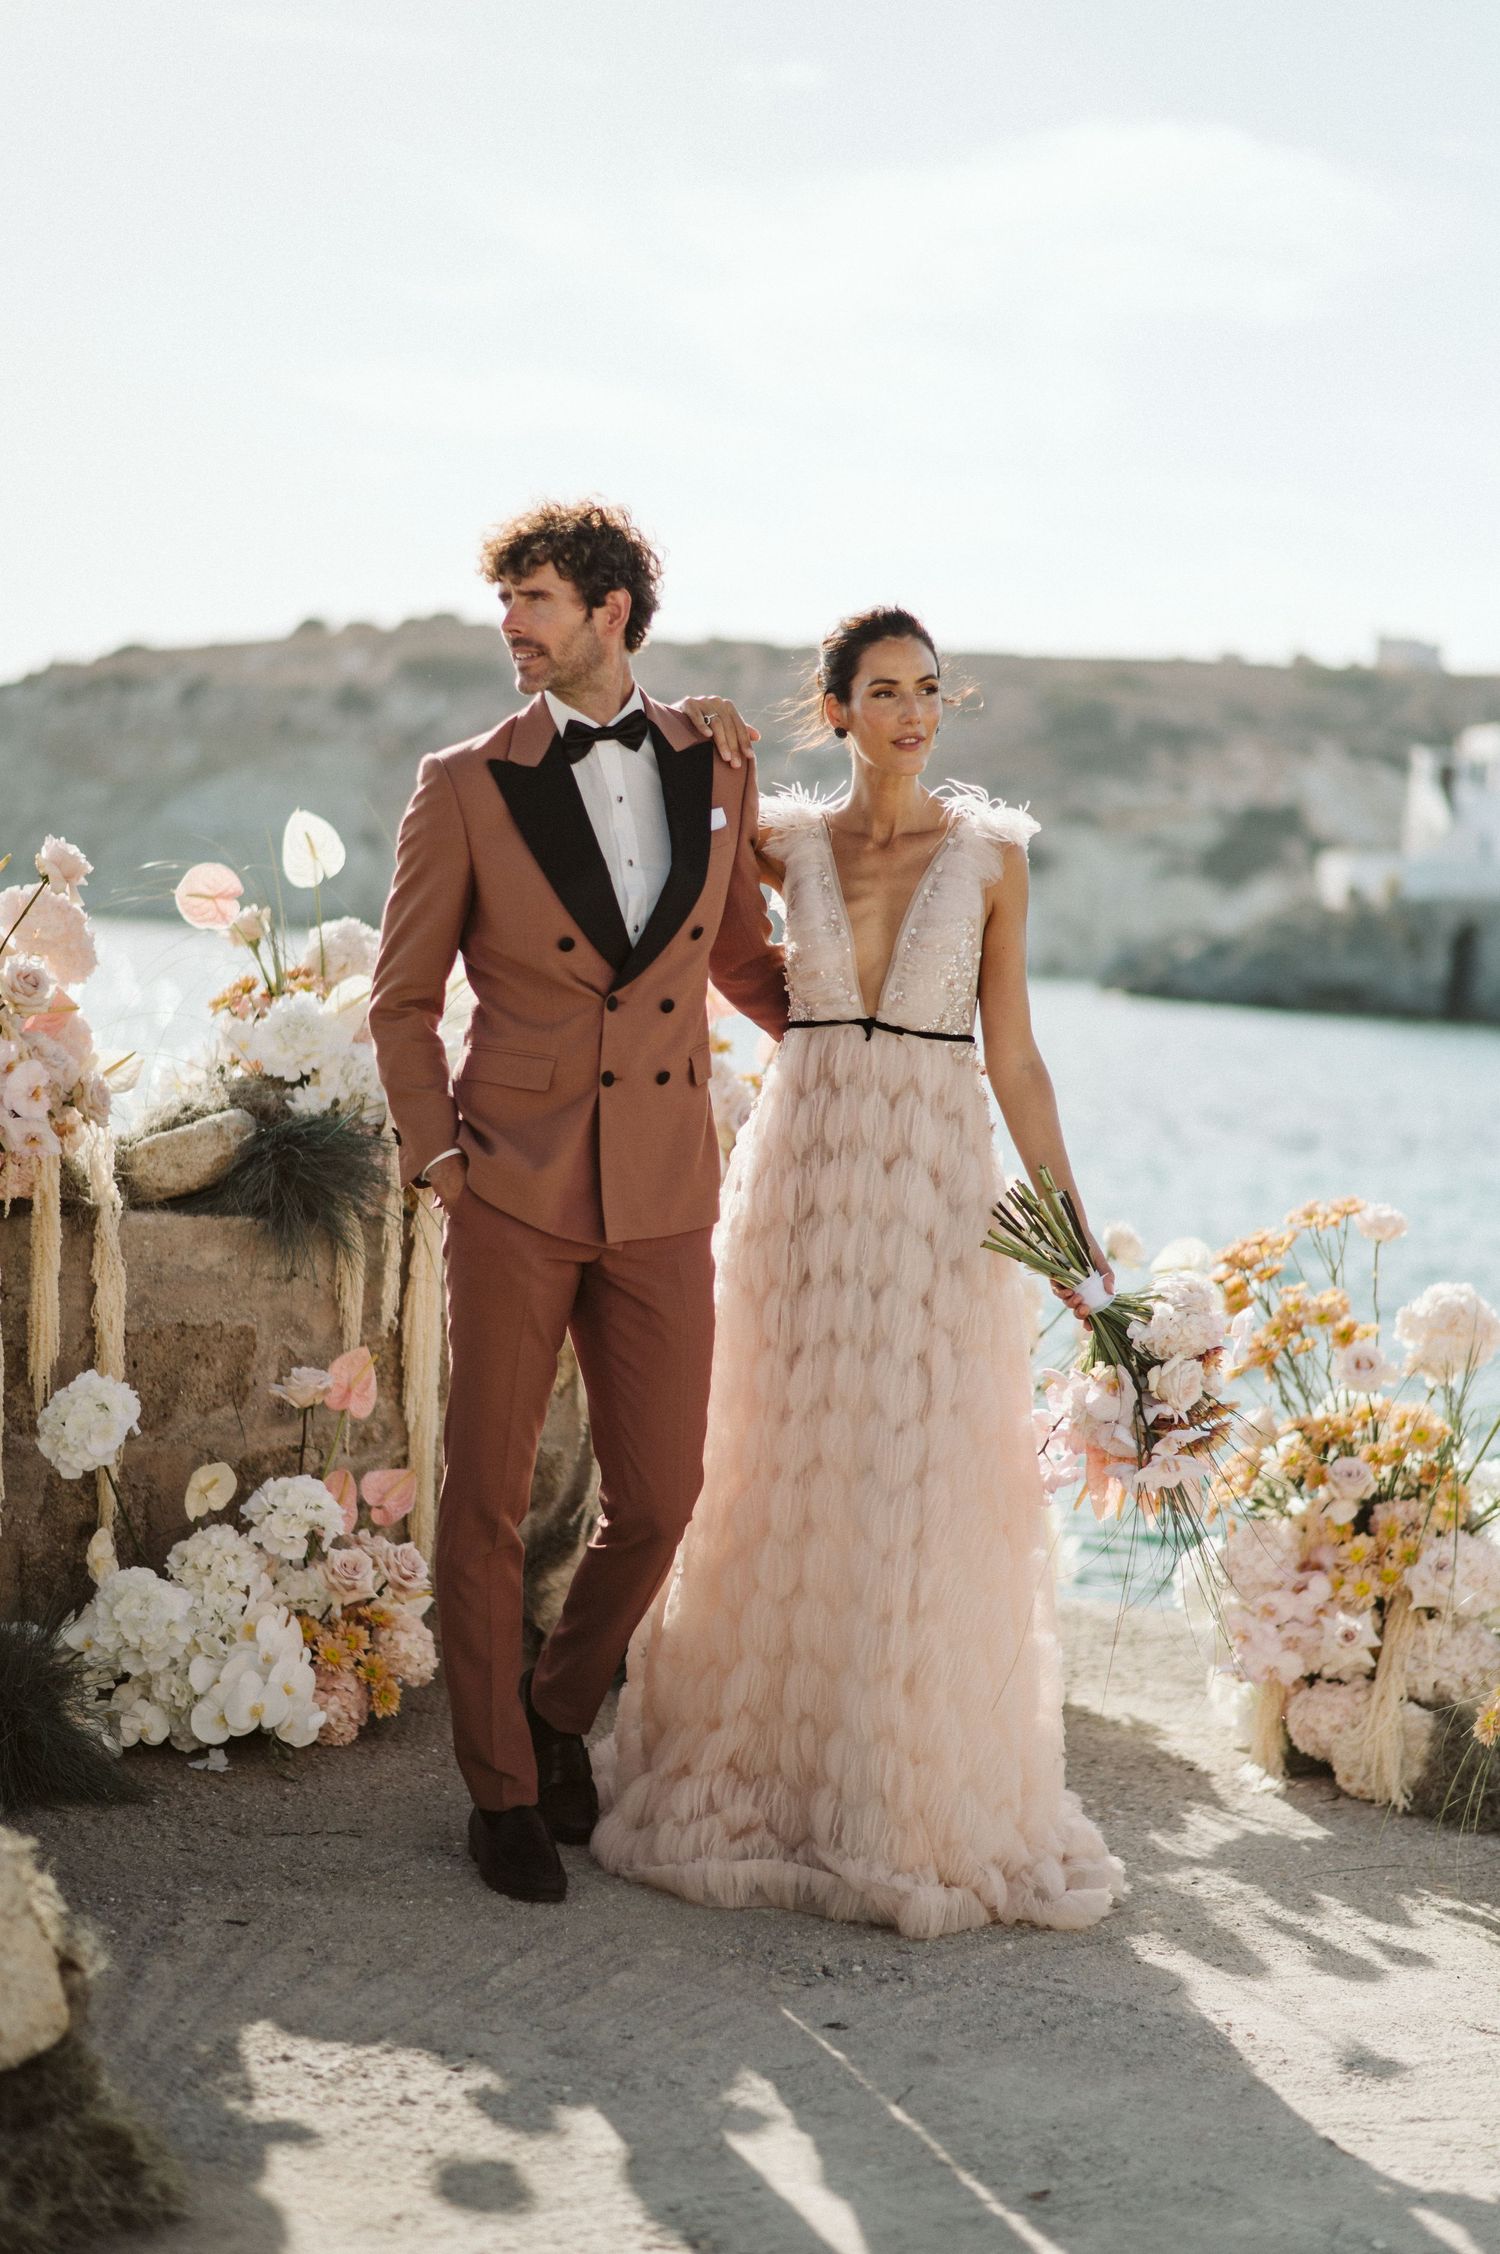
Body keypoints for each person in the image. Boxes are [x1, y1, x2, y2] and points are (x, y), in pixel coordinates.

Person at [593, 607, 1126, 1937]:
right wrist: (701, 736)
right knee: (779, 1458)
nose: (911, 712)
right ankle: (774, 1767)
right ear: (834, 708)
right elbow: (674, 892)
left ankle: (890, 1791)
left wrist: (1074, 1231)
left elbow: (1014, 1056)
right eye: (883, 691)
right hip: (804, 1180)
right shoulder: (784, 843)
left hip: (935, 1185)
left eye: (928, 691)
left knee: (912, 1470)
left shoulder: (994, 857)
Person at [369, 500, 788, 1905]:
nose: (514, 625)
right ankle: (499, 1786)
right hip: (513, 1183)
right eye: (509, 604)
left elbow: (742, 958)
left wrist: (863, 1048)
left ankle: (555, 1704)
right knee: (484, 1495)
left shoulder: (711, 757)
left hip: (666, 1183)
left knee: (663, 1494)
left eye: (538, 599)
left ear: (612, 611)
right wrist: (440, 1159)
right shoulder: (465, 782)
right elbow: (403, 999)